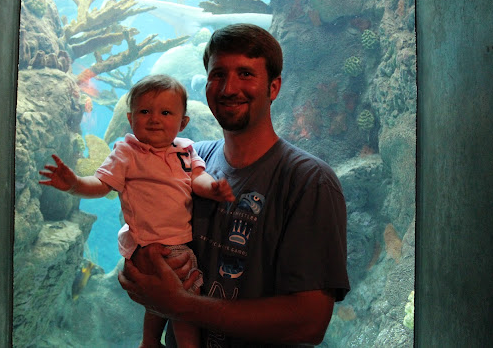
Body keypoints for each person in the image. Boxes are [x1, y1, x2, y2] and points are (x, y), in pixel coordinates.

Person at [119, 24, 350, 347]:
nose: (229, 88)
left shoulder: (309, 182)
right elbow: (139, 244)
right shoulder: (189, 159)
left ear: (274, 87)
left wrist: (180, 304)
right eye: (218, 75)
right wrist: (140, 265)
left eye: (245, 74)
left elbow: (309, 323)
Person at [39, 74, 235, 348]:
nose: (154, 119)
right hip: (148, 243)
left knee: (162, 300)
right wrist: (75, 185)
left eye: (165, 113)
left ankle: (150, 341)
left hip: (178, 242)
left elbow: (197, 178)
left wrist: (213, 188)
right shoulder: (127, 152)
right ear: (131, 120)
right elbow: (102, 184)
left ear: (182, 123)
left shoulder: (186, 150)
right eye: (144, 112)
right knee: (184, 299)